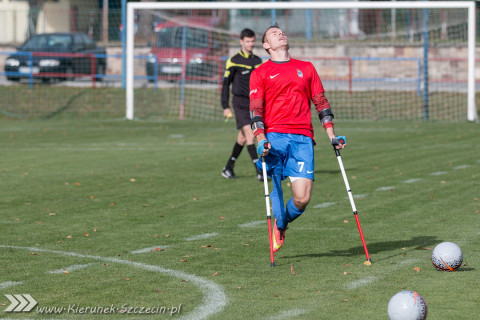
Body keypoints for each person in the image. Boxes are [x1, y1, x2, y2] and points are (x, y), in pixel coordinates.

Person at [249, 24, 345, 252]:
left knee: (302, 199)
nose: (280, 34)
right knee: (277, 185)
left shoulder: (307, 68)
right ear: (266, 45)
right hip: (274, 136)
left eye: (282, 32)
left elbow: (321, 103)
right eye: (274, 34)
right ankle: (278, 223)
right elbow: (255, 110)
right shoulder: (260, 73)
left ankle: (281, 224)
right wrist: (261, 137)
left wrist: (332, 134)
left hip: (303, 138)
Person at [221, 28, 264, 181]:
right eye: (248, 41)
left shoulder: (258, 61)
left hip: (254, 103)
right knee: (251, 135)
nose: (251, 44)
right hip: (239, 103)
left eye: (253, 41)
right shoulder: (234, 60)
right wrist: (225, 106)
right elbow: (226, 84)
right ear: (241, 42)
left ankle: (228, 168)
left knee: (243, 138)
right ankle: (260, 171)